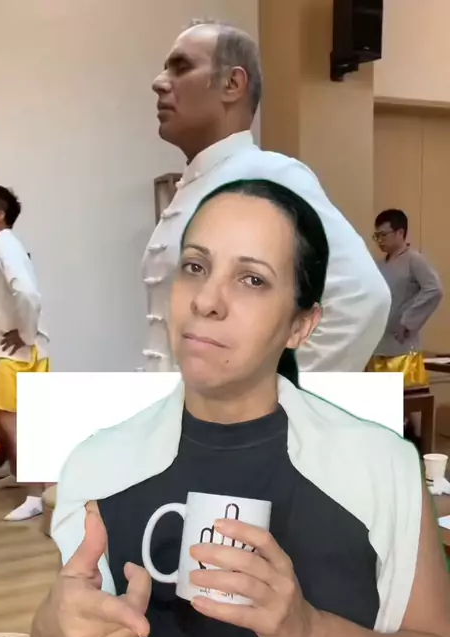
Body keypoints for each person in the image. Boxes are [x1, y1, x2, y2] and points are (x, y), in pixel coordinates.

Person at [26, 179, 450, 637]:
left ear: (301, 324)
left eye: (251, 279)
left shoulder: (379, 467)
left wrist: (308, 633)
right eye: (195, 266)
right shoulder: (101, 469)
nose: (207, 299)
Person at [141, 19, 390, 372]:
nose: (160, 82)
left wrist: (274, 395)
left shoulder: (266, 175)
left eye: (181, 67)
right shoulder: (197, 184)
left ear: (232, 84)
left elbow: (361, 299)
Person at [0, 184, 50, 521]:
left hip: (15, 354)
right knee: (3, 420)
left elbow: (28, 294)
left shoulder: (6, 247)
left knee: (16, 421)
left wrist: (25, 333)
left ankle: (37, 495)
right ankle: (20, 476)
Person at [368, 208, 443, 386]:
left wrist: (408, 321)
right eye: (377, 236)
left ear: (400, 233)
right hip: (378, 346)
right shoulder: (379, 264)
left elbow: (434, 289)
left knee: (405, 399)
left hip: (401, 349)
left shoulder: (414, 259)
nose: (380, 241)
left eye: (383, 235)